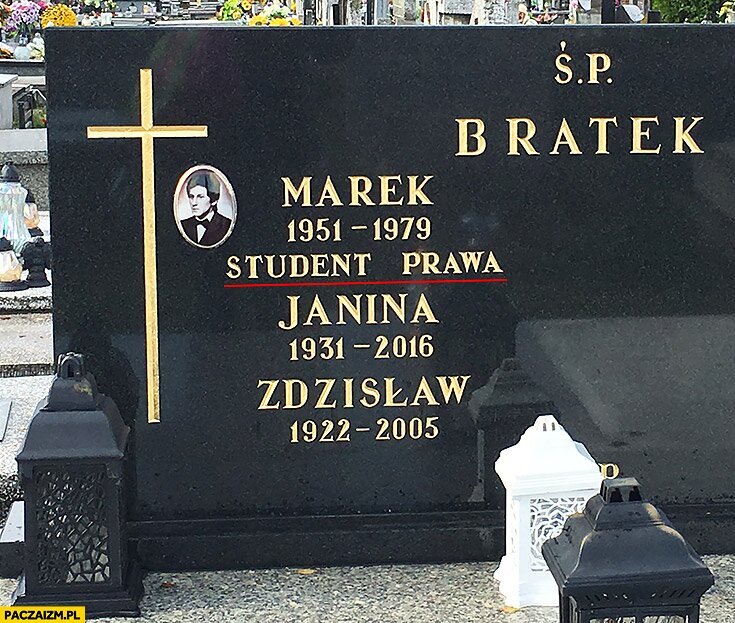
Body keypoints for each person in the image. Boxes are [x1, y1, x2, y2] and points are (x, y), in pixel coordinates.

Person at [179, 172, 232, 247]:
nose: (194, 203)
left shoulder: (226, 225)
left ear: (214, 200)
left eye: (200, 197)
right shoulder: (183, 225)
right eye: (191, 197)